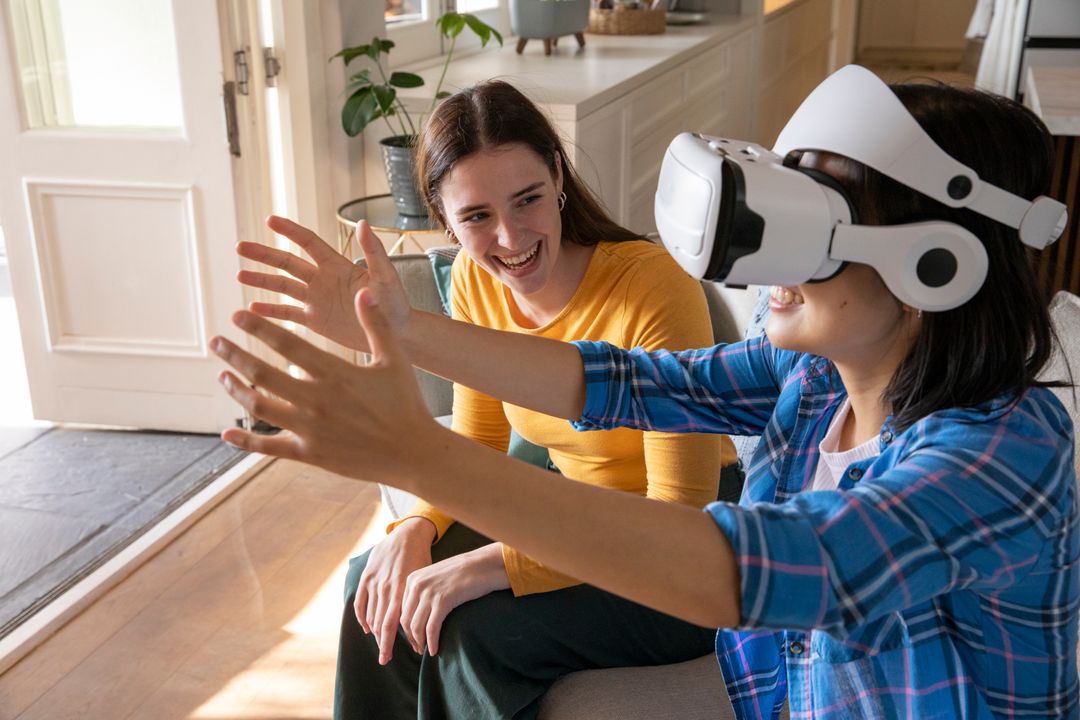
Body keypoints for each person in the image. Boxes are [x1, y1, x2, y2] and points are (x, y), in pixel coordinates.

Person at [211, 73, 1079, 718]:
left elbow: (740, 572)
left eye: (815, 235)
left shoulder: (1003, 455)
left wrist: (411, 449)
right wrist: (402, 328)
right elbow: (629, 380)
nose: (768, 264)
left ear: (937, 265)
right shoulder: (817, 380)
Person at [234, 80, 737, 719]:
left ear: (558, 174)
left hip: (682, 559)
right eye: (476, 217)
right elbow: (479, 437)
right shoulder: (477, 278)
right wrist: (418, 525)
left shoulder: (653, 288)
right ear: (444, 220)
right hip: (578, 509)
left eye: (527, 199)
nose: (509, 237)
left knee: (475, 631)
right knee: (374, 585)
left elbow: (673, 518)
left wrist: (490, 566)